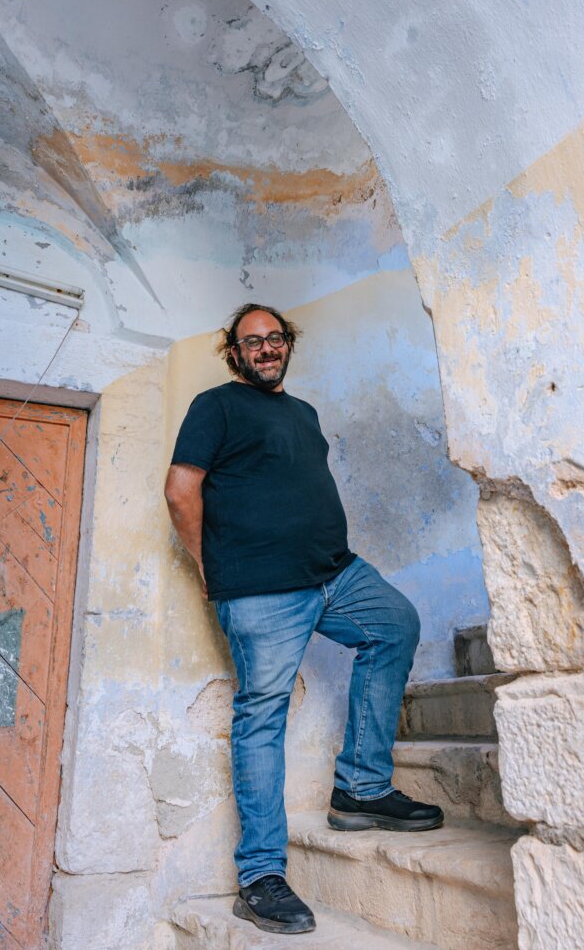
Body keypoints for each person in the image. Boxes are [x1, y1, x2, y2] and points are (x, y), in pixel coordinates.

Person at [164, 303, 443, 935]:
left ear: (287, 345)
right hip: (261, 587)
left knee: (394, 624)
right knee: (261, 717)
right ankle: (261, 876)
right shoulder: (216, 406)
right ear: (232, 353)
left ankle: (362, 789)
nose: (265, 348)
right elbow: (181, 489)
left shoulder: (304, 413)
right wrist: (210, 568)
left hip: (334, 573)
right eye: (251, 341)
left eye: (274, 338)